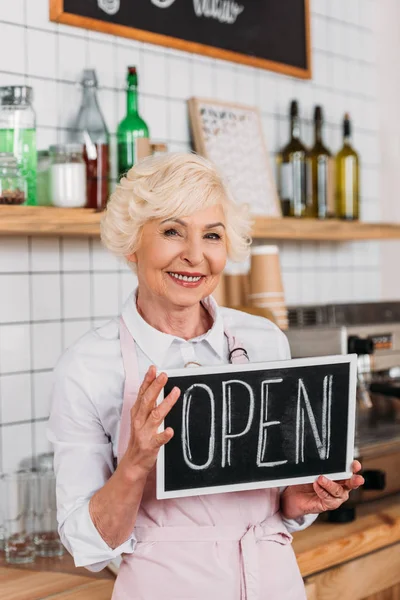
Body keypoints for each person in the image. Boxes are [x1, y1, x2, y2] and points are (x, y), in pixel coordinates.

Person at [48, 153, 364, 600]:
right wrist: (136, 463)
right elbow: (89, 545)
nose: (194, 256)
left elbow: (277, 498)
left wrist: (302, 499)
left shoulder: (264, 341)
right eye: (172, 231)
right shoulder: (88, 367)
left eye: (211, 235)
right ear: (132, 243)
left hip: (275, 583)